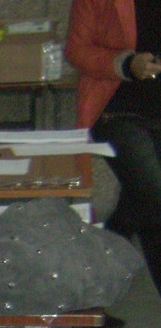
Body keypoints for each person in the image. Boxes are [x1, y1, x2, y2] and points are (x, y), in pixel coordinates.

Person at [66, 0, 161, 296]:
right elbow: (76, 50)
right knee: (155, 202)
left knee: (135, 206)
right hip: (118, 111)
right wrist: (126, 64)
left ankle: (93, 286)